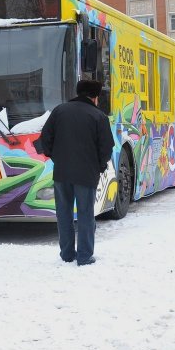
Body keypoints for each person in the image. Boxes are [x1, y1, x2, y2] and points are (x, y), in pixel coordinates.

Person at [39, 80, 114, 266]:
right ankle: (84, 256)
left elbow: (45, 139)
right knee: (85, 214)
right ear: (95, 97)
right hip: (86, 174)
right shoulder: (99, 116)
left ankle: (66, 254)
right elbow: (106, 148)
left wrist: (57, 158)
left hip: (62, 173)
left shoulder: (59, 111)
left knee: (63, 213)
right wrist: (99, 166)